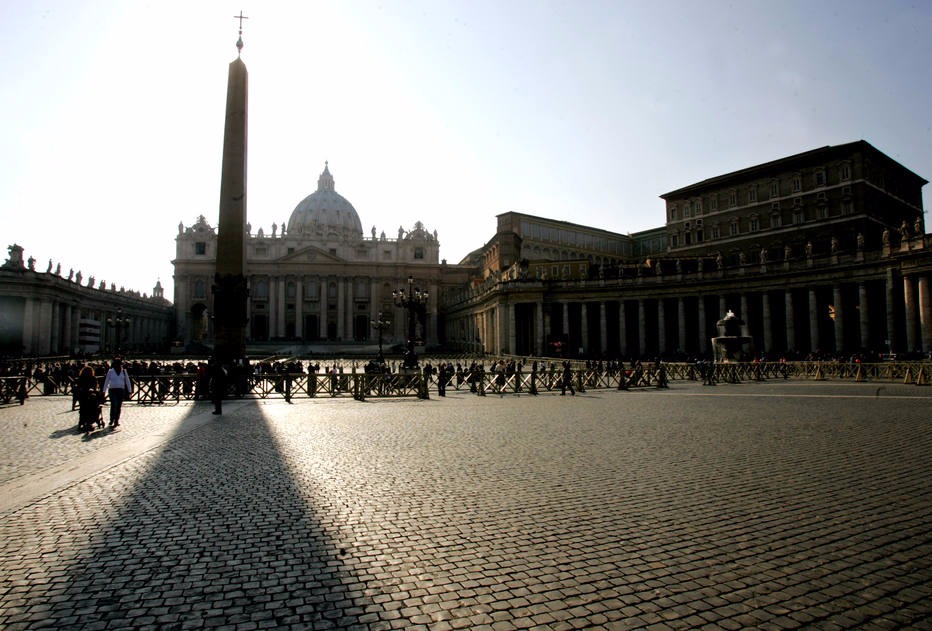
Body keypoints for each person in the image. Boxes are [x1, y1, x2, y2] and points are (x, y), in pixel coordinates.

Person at [101, 357, 132, 429]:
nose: (118, 366)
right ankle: (112, 419)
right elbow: (107, 381)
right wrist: (104, 391)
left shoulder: (124, 371)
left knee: (118, 406)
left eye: (119, 364)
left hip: (121, 390)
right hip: (112, 390)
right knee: (114, 404)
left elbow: (127, 381)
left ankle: (116, 420)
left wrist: (130, 391)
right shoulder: (110, 371)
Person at [76, 365, 102, 433]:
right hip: (90, 395)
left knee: (83, 408)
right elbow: (95, 387)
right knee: (91, 407)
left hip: (83, 395)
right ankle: (90, 420)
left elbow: (78, 386)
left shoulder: (81, 378)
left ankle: (83, 421)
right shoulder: (93, 378)